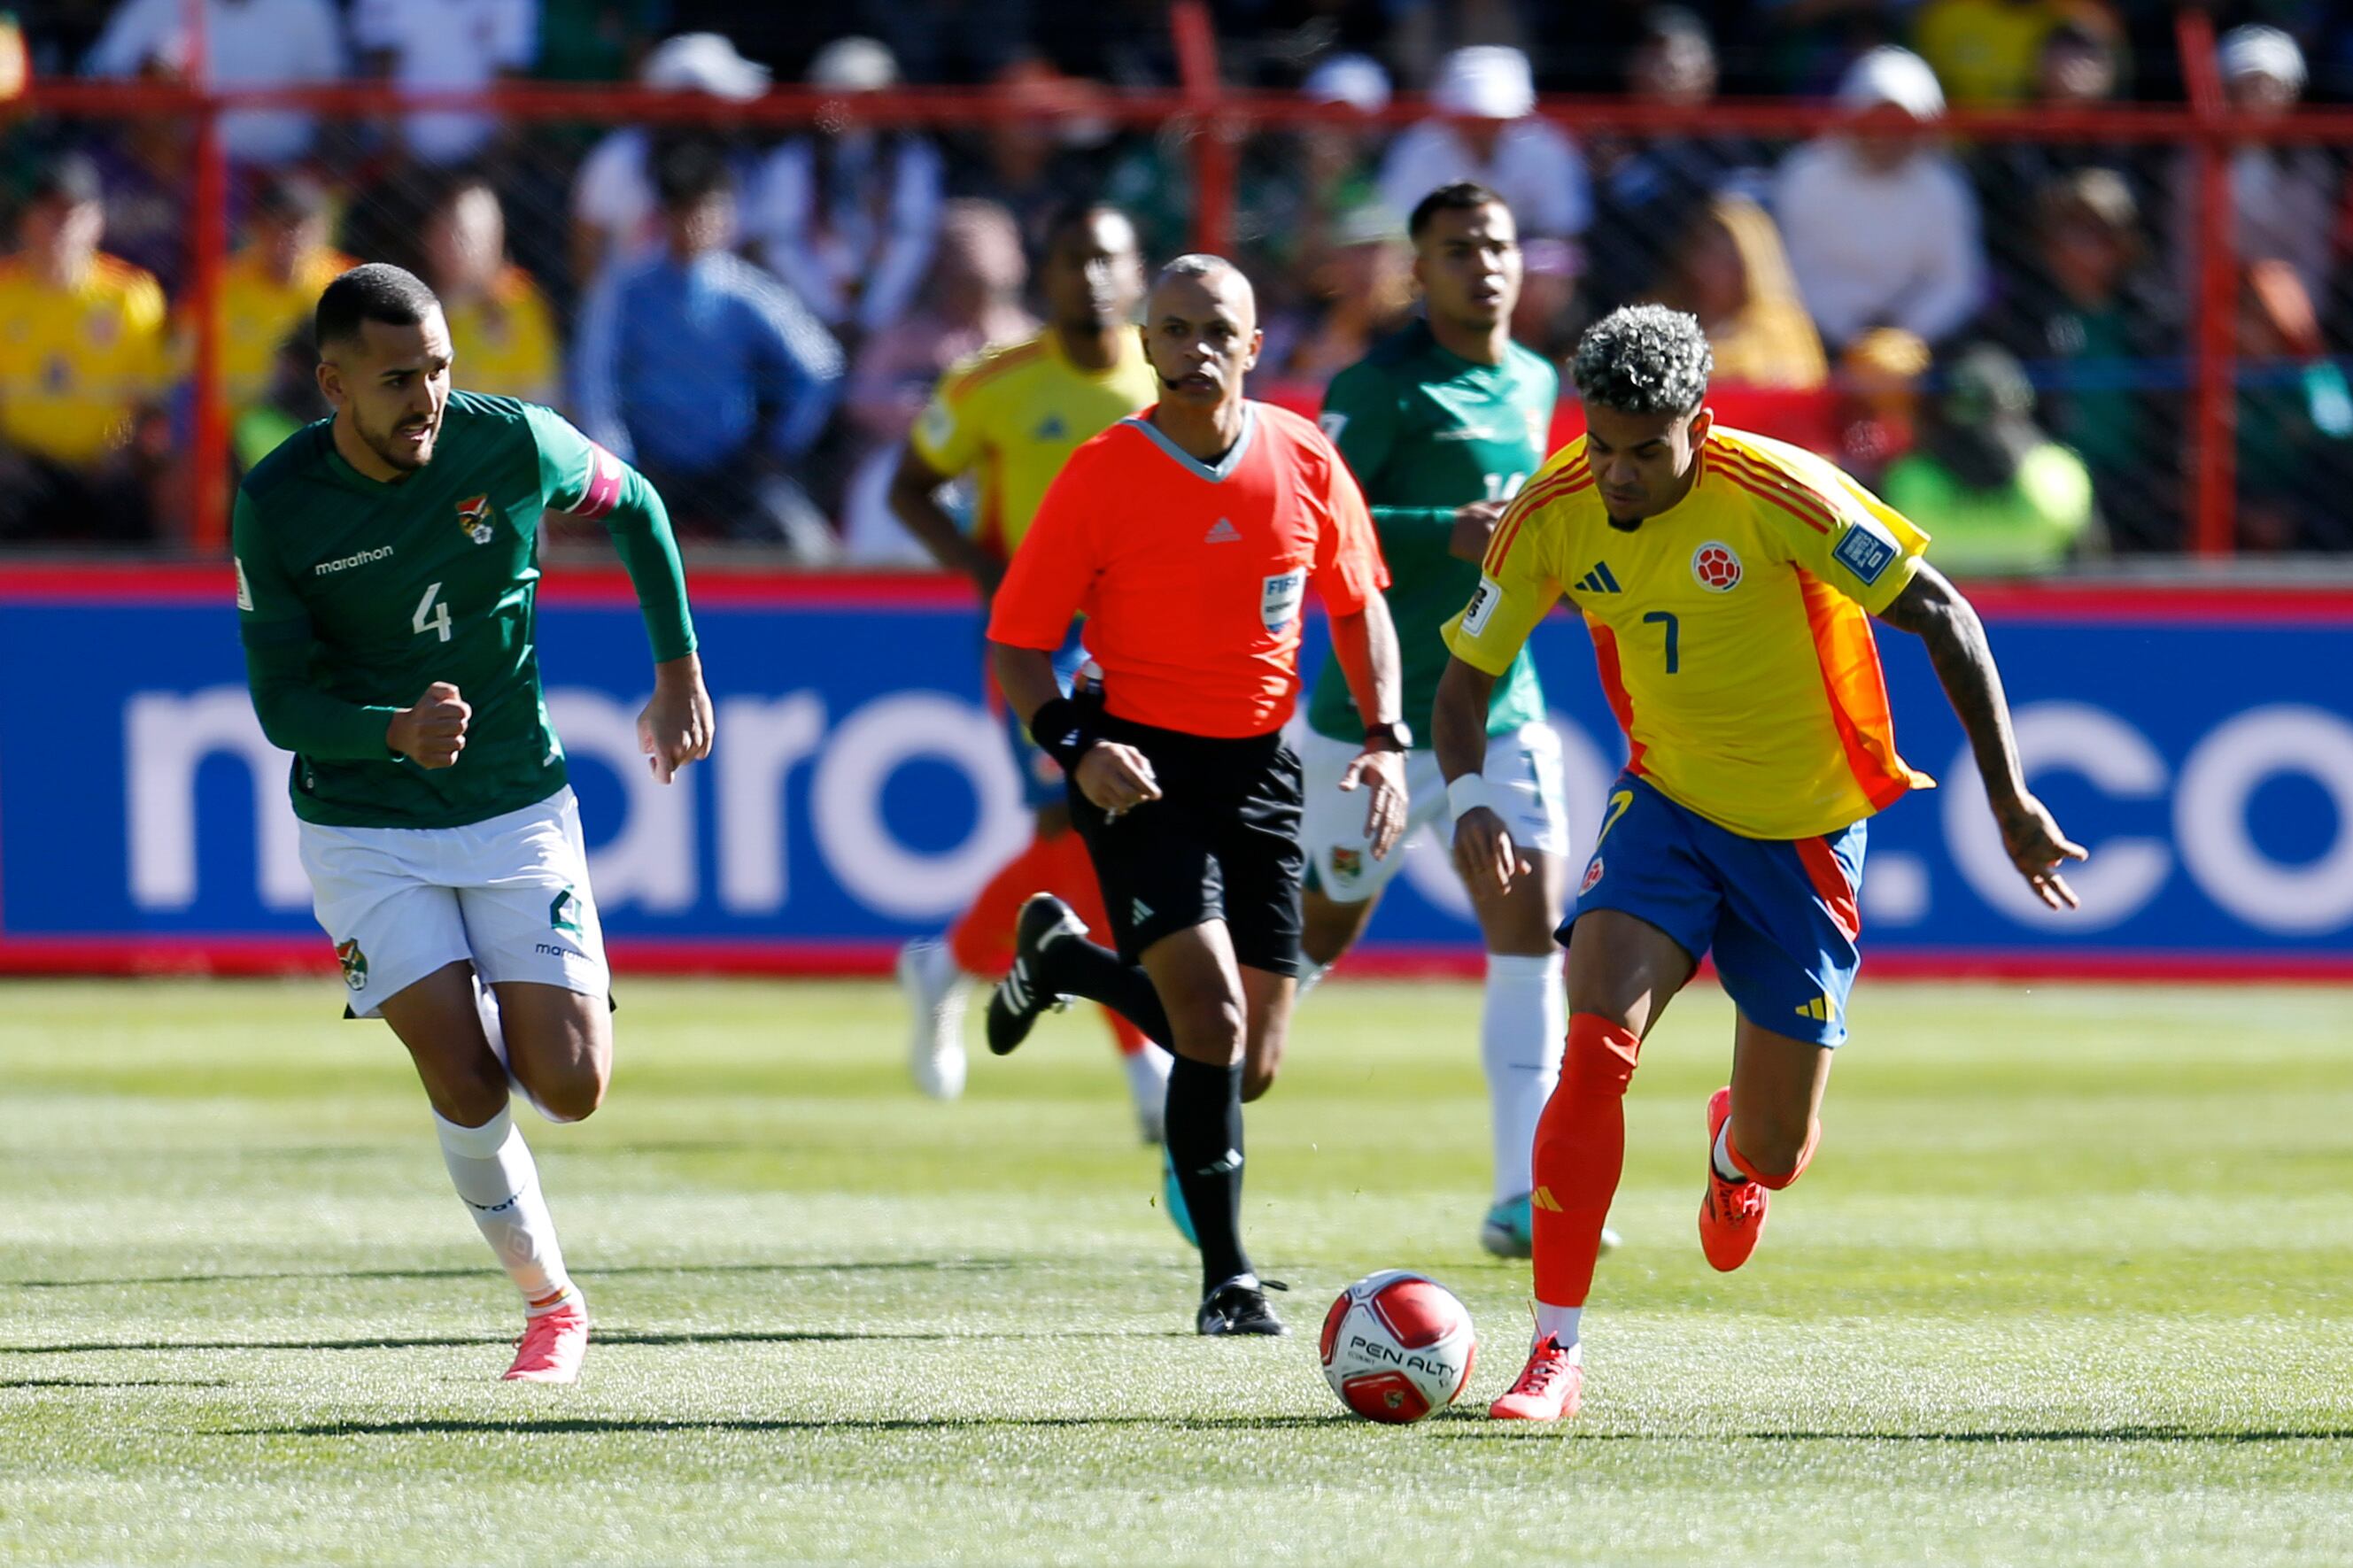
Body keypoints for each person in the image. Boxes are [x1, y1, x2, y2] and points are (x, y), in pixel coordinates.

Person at [1435, 305, 2084, 1421]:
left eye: (1646, 449)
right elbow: (1459, 685)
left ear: (1700, 420)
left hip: (1805, 834)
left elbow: (1941, 613)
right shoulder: (1551, 510)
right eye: (1601, 446)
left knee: (1777, 1148)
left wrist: (2007, 792)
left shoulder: (1784, 493)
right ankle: (1553, 1352)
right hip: (1665, 810)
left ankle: (1734, 1156)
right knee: (1592, 1047)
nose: (1619, 473)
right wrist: (1466, 795)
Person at [233, 263, 713, 1384]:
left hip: (512, 803)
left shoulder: (514, 443)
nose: (428, 398)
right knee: (464, 1080)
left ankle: (506, 990)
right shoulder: (279, 500)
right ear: (332, 383)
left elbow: (635, 506)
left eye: (440, 369)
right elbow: (279, 705)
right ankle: (551, 1306)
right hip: (364, 825)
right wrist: (388, 731)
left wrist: (678, 667)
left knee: (575, 1087)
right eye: (398, 378)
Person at [984, 255, 1407, 1336]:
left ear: (1254, 346)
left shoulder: (1304, 458)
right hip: (1135, 761)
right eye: (1172, 328)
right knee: (1207, 1017)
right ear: (1146, 344)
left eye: (1217, 328)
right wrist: (1075, 747)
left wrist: (1384, 737)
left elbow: (1356, 606)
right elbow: (1019, 646)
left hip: (1260, 765)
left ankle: (1060, 961)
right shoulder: (1099, 474)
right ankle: (1227, 1279)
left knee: (1250, 1061)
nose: (1194, 347)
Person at [1294, 182, 1575, 1262]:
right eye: (1456, 249)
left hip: (1499, 705)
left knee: (1526, 930)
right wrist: (1440, 531)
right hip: (1366, 720)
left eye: (1496, 244)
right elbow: (1317, 523)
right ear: (1418, 271)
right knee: (1319, 930)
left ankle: (1520, 1198)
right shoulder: (1375, 387)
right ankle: (1209, 1092)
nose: (1481, 264)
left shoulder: (1539, 379)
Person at [887, 203, 1168, 1125]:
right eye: (1071, 259)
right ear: (1042, 278)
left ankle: (946, 960)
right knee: (1079, 828)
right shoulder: (992, 384)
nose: (1089, 276)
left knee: (1100, 835)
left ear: (1136, 276)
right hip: (1036, 644)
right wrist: (985, 569)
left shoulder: (1168, 379)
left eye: (1108, 259)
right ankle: (1144, 1067)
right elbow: (911, 487)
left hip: (1140, 642)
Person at [572, 140, 845, 552]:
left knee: (810, 548)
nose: (698, 223)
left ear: (729, 215)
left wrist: (777, 446)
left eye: (710, 209)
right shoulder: (627, 289)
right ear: (665, 216)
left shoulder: (745, 290)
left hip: (733, 471)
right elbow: (594, 379)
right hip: (648, 468)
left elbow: (820, 368)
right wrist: (618, 462)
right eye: (686, 210)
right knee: (595, 553)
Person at [0, 153, 168, 543]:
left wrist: (122, 449)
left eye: (72, 213)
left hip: (105, 465)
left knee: (131, 501)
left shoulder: (130, 295)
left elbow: (150, 400)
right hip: (21, 465)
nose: (61, 226)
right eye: (48, 212)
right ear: (26, 220)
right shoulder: (4, 293)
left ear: (97, 222)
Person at [1773, 45, 1985, 351]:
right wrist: (1851, 336)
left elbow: (1956, 282)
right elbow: (1788, 275)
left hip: (1921, 347)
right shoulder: (1805, 177)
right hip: (1813, 339)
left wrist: (1903, 336)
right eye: (1876, 119)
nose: (1886, 135)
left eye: (1901, 123)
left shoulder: (1944, 187)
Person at [747, 36, 946, 344]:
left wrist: (875, 314)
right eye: (842, 96)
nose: (855, 107)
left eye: (868, 95)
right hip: (805, 318)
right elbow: (781, 242)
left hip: (894, 320)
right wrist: (828, 311)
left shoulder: (913, 160)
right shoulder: (792, 160)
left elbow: (914, 239)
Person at [1880, 343, 2097, 574]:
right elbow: (2093, 555)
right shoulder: (2058, 473)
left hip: (1941, 589)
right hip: (2033, 587)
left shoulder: (1907, 479)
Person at [215, 172, 356, 418]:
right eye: (282, 224)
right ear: (257, 227)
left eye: (304, 225)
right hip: (233, 433)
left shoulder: (351, 287)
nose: (293, 237)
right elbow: (184, 376)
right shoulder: (221, 289)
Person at [1653, 193, 1827, 390]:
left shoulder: (1781, 327)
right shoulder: (1657, 320)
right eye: (1706, 252)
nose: (1714, 268)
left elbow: (1801, 393)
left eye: (1730, 260)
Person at [420, 175, 561, 408]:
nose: (456, 246)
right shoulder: (413, 311)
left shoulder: (521, 303)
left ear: (496, 238)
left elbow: (543, 396)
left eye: (469, 236)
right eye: (448, 232)